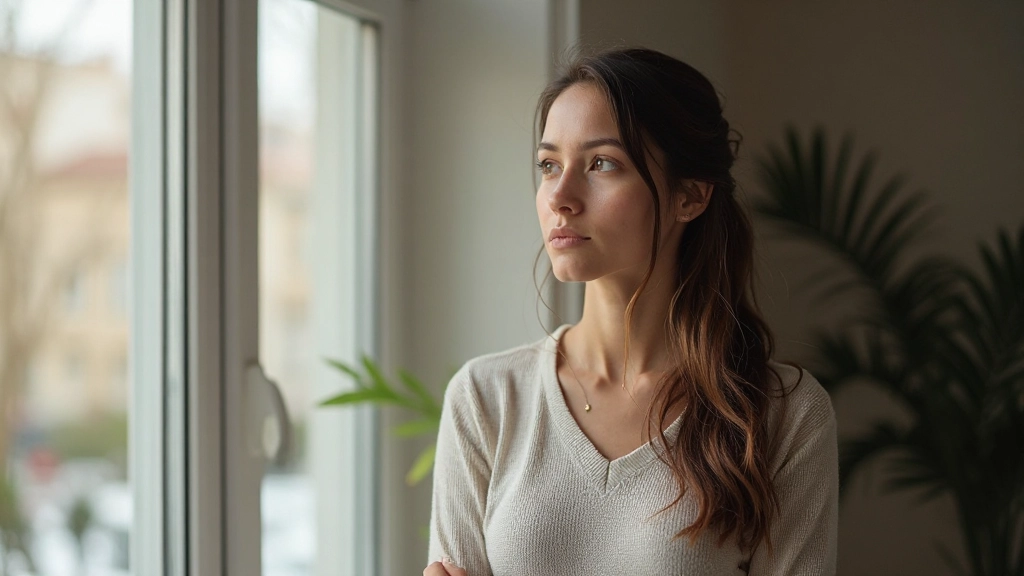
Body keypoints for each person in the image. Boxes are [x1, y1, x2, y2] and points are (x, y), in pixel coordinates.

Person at [423, 47, 838, 576]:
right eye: (549, 165)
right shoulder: (486, 398)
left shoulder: (783, 416)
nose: (561, 197)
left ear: (690, 195)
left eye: (602, 164)